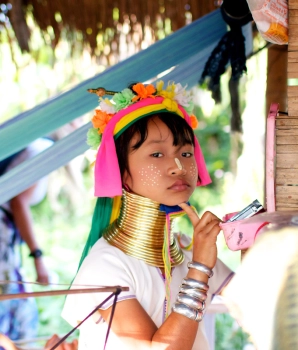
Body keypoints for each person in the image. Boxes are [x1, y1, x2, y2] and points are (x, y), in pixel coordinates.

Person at [62, 81, 234, 349]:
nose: (178, 167)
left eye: (186, 153)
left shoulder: (186, 246)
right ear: (123, 173)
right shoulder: (106, 266)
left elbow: (253, 300)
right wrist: (200, 268)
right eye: (157, 154)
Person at [0, 138, 53, 340]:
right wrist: (38, 257)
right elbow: (18, 202)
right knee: (17, 305)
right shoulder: (42, 148)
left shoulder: (36, 145)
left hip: (7, 235)